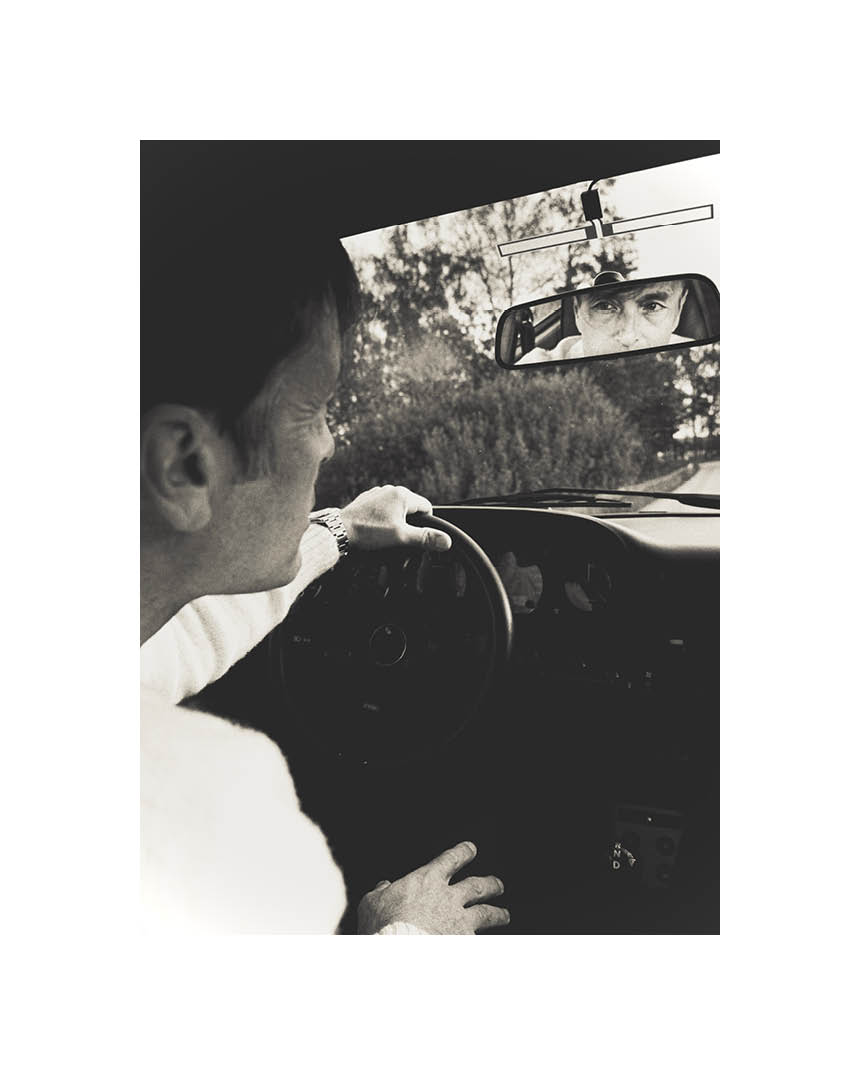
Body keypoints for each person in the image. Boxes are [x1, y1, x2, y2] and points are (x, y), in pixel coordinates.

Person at [141, 200, 510, 934]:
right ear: (183, 462)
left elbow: (181, 634)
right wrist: (398, 934)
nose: (329, 445)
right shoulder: (209, 806)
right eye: (315, 410)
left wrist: (339, 532)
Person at [518, 275, 691, 364]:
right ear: (577, 312)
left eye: (652, 307)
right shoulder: (541, 362)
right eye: (605, 306)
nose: (628, 337)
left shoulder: (690, 351)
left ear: (678, 311)